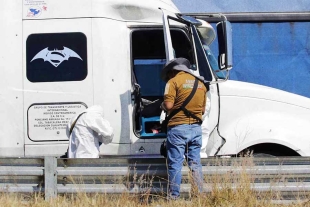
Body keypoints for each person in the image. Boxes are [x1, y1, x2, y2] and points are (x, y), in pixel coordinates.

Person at [160, 58, 207, 199]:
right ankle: (198, 195)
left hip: (178, 128)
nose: (168, 77)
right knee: (195, 163)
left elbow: (168, 106)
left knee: (175, 163)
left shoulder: (173, 82)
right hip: (196, 128)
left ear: (173, 71)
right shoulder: (201, 84)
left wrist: (162, 105)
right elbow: (203, 110)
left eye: (168, 74)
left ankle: (174, 197)